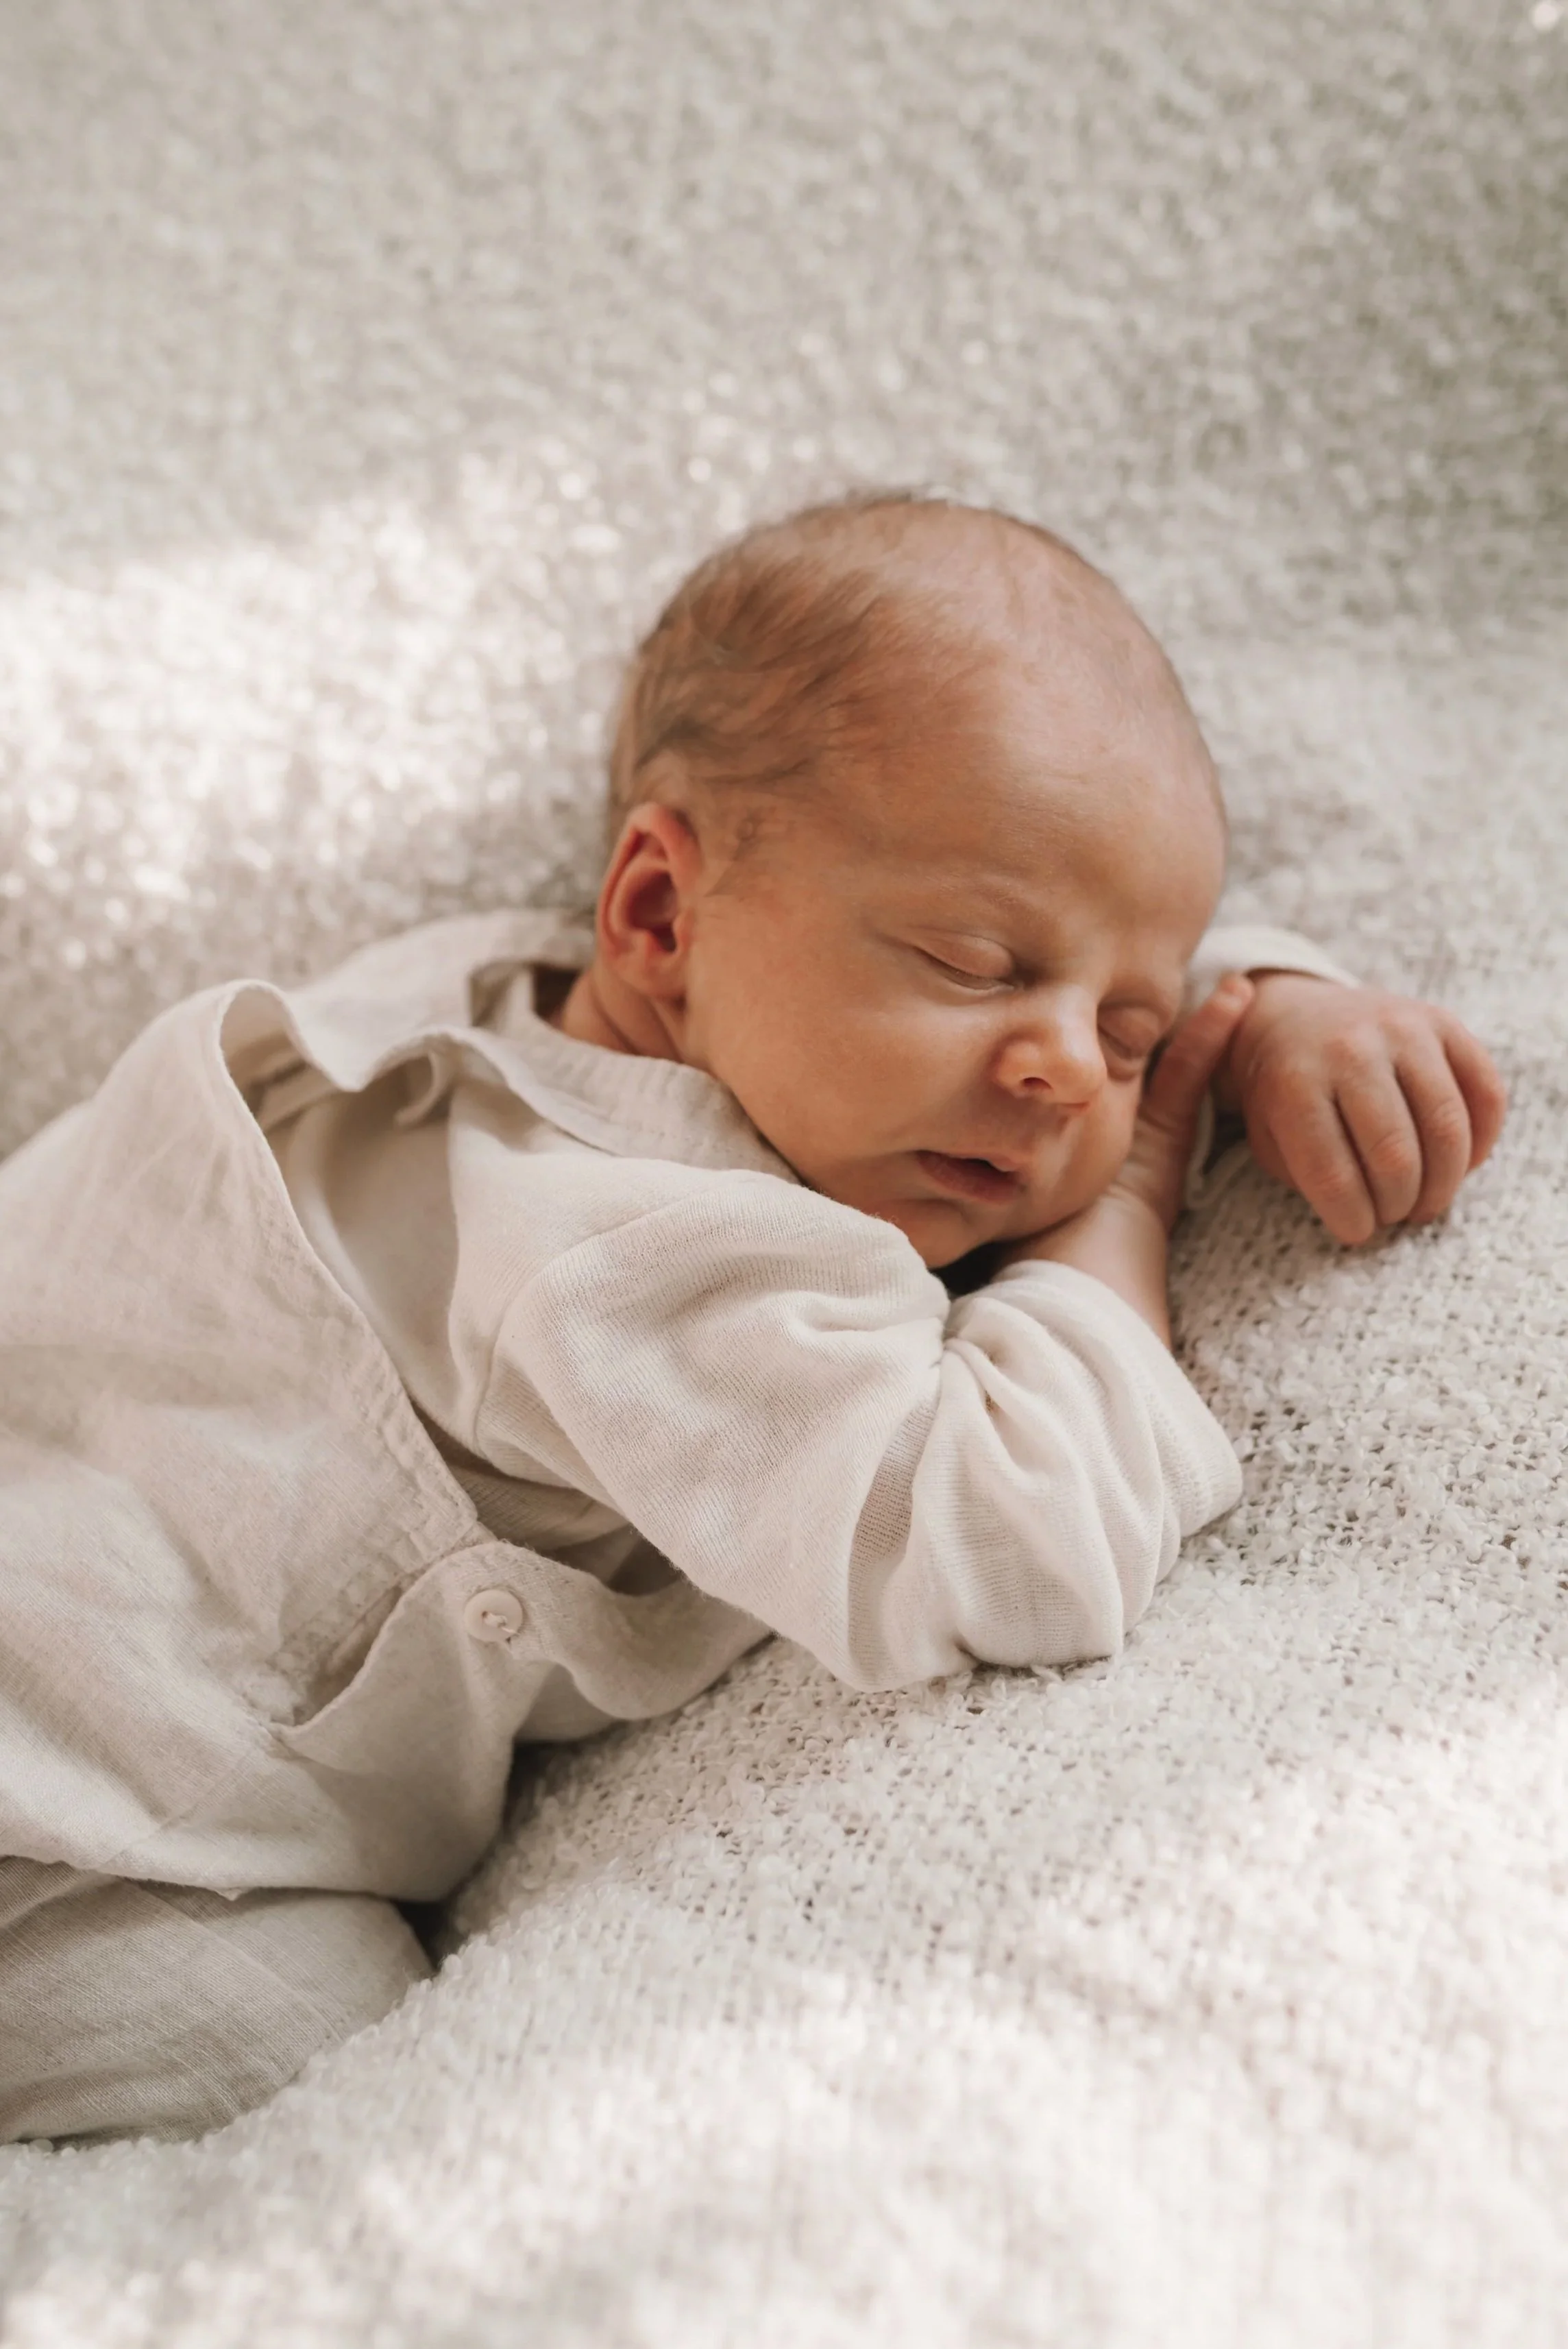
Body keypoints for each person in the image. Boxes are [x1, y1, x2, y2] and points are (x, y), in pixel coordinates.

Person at [0, 495, 1506, 2143]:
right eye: (974, 958)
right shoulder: (646, 1240)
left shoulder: (497, 1011)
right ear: (656, 913)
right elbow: (997, 1537)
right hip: (74, 1840)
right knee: (330, 2096)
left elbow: (1081, 896)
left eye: (1132, 1032)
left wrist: (1267, 1004)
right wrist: (1129, 1192)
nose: (1070, 1069)